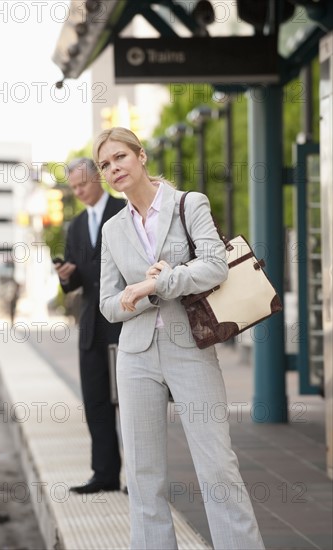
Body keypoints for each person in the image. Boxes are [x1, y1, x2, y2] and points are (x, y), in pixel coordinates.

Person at [93, 127, 265, 550]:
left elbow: (214, 267)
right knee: (143, 474)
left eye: (120, 157)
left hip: (190, 349)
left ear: (141, 156)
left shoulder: (189, 204)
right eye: (104, 165)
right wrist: (138, 295)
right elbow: (108, 304)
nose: (114, 168)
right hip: (135, 357)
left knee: (217, 467)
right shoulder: (114, 230)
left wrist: (159, 283)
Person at [54, 157, 125, 494]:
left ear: (98, 178)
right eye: (73, 187)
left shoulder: (126, 211)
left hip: (125, 323)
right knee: (96, 401)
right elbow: (76, 283)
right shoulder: (76, 226)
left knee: (132, 404)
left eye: (83, 183)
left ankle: (140, 477)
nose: (79, 191)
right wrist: (66, 277)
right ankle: (105, 474)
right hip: (91, 327)